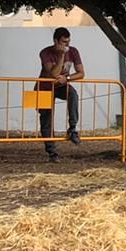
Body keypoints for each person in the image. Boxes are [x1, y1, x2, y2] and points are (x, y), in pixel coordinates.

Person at [37, 27, 84, 160]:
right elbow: (53, 74)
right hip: (44, 87)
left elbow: (81, 73)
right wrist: (61, 55)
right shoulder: (45, 53)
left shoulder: (74, 51)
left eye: (68, 42)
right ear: (56, 41)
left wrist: (67, 78)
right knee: (46, 119)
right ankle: (52, 151)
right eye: (64, 42)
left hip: (61, 85)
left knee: (73, 94)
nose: (67, 45)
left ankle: (73, 128)